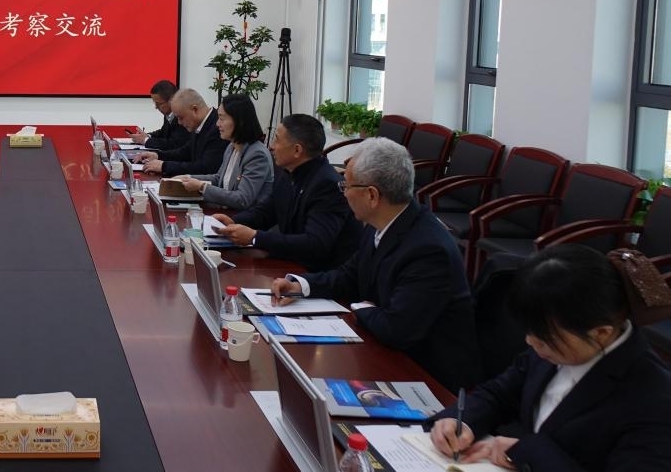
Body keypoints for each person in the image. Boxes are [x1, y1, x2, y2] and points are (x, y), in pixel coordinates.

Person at [427, 244, 671, 471]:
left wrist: (527, 451)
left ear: (601, 333)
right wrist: (462, 421)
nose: (530, 342)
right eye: (529, 331)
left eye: (543, 338)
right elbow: (501, 393)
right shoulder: (557, 347)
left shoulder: (653, 399)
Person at [270, 137, 480, 392]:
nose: (344, 193)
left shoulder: (428, 249)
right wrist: (302, 286)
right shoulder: (381, 224)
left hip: (427, 379)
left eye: (346, 185)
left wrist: (359, 307)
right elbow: (350, 275)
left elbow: (396, 329)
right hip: (386, 352)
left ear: (372, 195)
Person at [212, 114, 360, 271]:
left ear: (297, 150)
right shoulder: (288, 172)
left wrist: (256, 237)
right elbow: (266, 212)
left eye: (277, 140)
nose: (271, 146)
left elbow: (315, 244)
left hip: (318, 274)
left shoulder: (327, 185)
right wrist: (233, 221)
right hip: (290, 263)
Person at [169, 95, 273, 211]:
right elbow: (219, 179)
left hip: (243, 219)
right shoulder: (231, 147)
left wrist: (202, 187)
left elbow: (242, 199)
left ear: (240, 121)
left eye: (222, 118)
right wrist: (188, 178)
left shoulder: (257, 155)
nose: (217, 124)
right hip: (225, 212)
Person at [135, 88, 229, 176]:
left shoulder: (218, 129)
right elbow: (185, 152)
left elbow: (205, 168)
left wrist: (164, 166)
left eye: (181, 117)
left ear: (195, 110)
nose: (179, 123)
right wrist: (158, 155)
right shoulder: (200, 124)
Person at [127, 79, 191, 151]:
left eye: (158, 104)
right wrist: (147, 136)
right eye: (155, 103)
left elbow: (174, 144)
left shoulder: (183, 117)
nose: (156, 107)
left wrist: (145, 140)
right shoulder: (169, 114)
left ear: (171, 100)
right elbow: (163, 132)